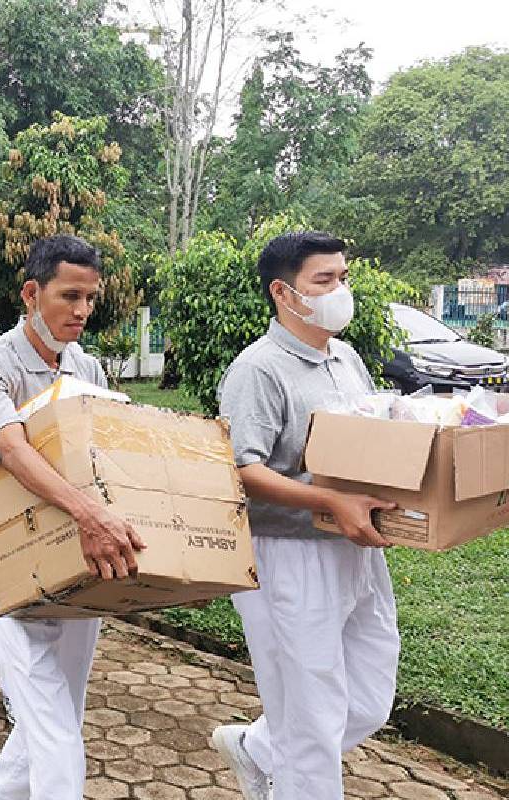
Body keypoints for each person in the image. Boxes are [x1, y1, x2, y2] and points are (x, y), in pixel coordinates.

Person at [213, 232, 399, 800]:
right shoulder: (258, 369)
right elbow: (240, 469)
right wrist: (328, 501)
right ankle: (289, 769)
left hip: (353, 544)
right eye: (324, 280)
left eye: (343, 277)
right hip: (287, 555)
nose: (340, 290)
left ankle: (260, 748)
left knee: (368, 696)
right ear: (282, 291)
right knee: (312, 719)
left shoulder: (346, 359)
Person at [0, 235, 146, 800]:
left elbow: (107, 442)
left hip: (83, 552)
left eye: (90, 298)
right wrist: (90, 513)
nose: (83, 311)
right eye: (70, 296)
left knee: (62, 697)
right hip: (20, 555)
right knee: (49, 719)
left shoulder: (85, 366)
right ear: (31, 293)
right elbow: (13, 450)